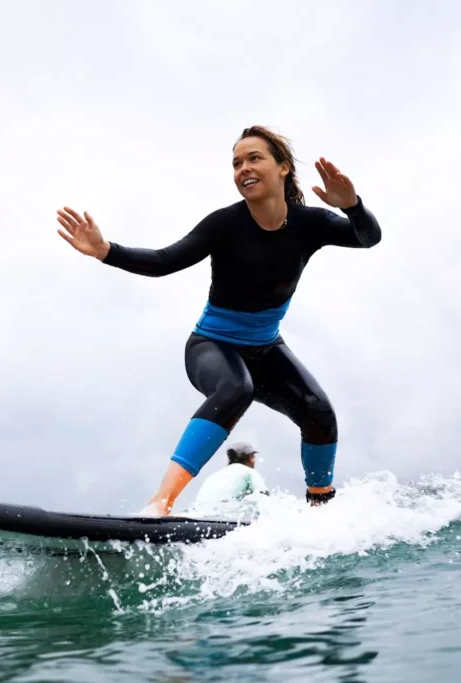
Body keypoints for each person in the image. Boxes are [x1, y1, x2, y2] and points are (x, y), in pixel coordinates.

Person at [56, 125, 382, 516]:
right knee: (235, 389)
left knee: (318, 411)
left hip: (266, 348)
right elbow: (164, 262)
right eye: (236, 163)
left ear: (283, 168)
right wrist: (106, 251)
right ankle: (161, 503)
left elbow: (368, 238)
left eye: (254, 158)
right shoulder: (225, 224)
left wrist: (353, 206)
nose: (243, 168)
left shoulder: (310, 223)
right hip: (212, 346)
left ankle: (320, 509)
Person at [193, 441, 268, 507]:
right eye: (253, 457)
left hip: (198, 515)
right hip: (224, 517)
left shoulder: (214, 476)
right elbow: (264, 497)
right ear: (249, 458)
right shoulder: (249, 472)